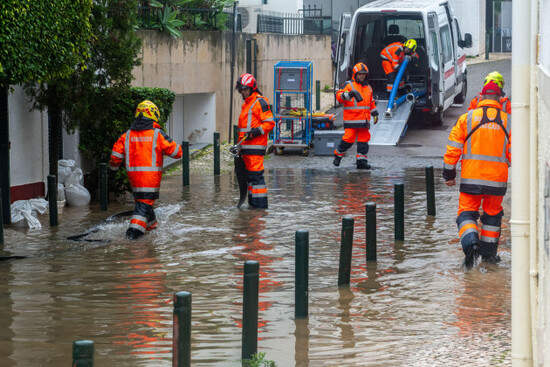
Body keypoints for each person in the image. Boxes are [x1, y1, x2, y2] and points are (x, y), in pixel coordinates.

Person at [443, 80, 511, 269]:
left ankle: (472, 245)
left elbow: (453, 148)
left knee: (466, 214)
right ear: (499, 99)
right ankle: (489, 259)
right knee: (492, 217)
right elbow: (514, 154)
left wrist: (449, 174)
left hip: (471, 179)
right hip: (497, 182)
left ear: (481, 97)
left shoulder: (467, 118)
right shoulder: (509, 121)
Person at [109, 100, 182, 240]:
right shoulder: (157, 134)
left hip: (133, 179)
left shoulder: (126, 135)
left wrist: (112, 170)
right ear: (154, 115)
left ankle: (151, 225)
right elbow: (177, 153)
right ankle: (132, 235)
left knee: (142, 202)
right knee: (142, 207)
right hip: (150, 179)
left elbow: (115, 157)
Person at [235, 73, 275, 209]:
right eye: (241, 90)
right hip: (245, 149)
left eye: (245, 89)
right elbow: (242, 130)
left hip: (255, 148)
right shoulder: (247, 104)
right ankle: (253, 210)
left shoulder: (259, 102)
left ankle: (260, 209)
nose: (243, 92)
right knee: (251, 179)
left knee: (256, 178)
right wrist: (238, 147)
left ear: (252, 88)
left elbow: (270, 123)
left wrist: (255, 132)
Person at [333, 62, 379, 169]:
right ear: (355, 74)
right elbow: (339, 96)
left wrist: (375, 113)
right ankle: (338, 155)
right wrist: (349, 94)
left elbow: (371, 102)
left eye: (363, 74)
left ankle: (361, 162)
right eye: (360, 74)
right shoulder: (349, 85)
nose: (362, 76)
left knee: (364, 141)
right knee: (348, 139)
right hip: (351, 120)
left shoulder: (368, 88)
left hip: (364, 121)